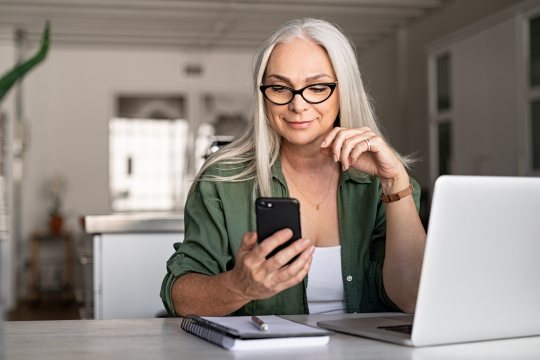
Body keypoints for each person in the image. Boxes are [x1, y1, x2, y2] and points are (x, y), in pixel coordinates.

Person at [160, 18, 426, 317]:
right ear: (264, 96)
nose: (297, 105)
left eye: (317, 87)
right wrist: (239, 286)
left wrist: (395, 183)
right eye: (279, 88)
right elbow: (180, 298)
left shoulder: (387, 184)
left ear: (344, 90)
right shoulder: (222, 179)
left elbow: (414, 299)